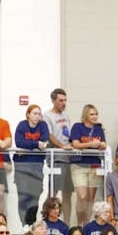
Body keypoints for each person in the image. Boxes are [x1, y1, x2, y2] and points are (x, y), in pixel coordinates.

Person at [13, 103, 49, 226]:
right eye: (34, 113)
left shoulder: (43, 125)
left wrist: (31, 144)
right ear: (28, 114)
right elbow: (19, 142)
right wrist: (37, 144)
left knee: (35, 194)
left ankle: (31, 223)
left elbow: (45, 138)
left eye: (39, 114)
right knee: (23, 194)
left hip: (37, 165)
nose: (37, 116)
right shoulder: (22, 125)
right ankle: (24, 224)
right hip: (21, 165)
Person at [43, 88, 74, 223]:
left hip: (68, 158)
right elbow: (49, 136)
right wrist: (62, 146)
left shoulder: (65, 116)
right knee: (53, 191)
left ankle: (66, 222)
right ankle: (46, 219)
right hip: (56, 157)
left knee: (67, 193)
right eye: (61, 100)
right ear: (53, 101)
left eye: (65, 100)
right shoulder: (47, 116)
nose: (64, 103)